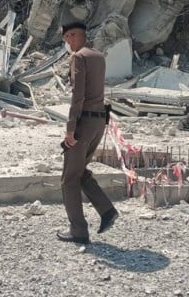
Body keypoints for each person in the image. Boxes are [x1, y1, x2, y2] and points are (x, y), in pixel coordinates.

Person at [55, 21, 119, 244]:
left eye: (67, 39)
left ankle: (78, 231)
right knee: (80, 171)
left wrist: (70, 130)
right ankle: (107, 210)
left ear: (74, 35)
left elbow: (78, 96)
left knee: (69, 179)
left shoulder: (79, 57)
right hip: (99, 121)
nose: (67, 44)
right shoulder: (98, 56)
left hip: (84, 123)